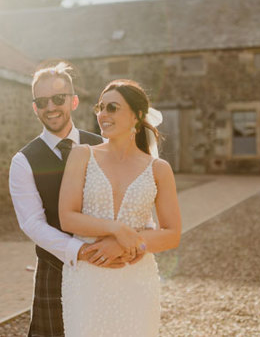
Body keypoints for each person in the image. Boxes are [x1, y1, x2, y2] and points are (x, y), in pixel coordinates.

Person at [9, 63, 138, 337]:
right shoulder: (23, 161)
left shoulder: (103, 146)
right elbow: (32, 223)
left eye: (58, 99)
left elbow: (127, 201)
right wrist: (80, 252)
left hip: (108, 264)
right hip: (56, 270)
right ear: (35, 108)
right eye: (42, 102)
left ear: (74, 101)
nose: (51, 107)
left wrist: (116, 243)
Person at [59, 79, 182, 336]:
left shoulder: (159, 169)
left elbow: (172, 234)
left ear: (137, 115)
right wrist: (115, 229)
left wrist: (127, 244)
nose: (103, 115)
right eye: (100, 108)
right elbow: (67, 217)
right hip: (87, 277)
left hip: (136, 278)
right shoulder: (82, 155)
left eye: (112, 108)